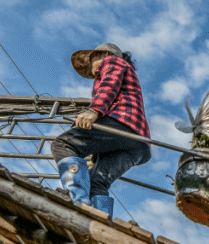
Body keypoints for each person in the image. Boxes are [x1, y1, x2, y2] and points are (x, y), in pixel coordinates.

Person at [52, 42, 151, 220]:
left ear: (103, 54)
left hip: (122, 123)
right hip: (136, 142)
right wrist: (95, 159)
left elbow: (109, 85)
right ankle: (101, 220)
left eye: (92, 61)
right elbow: (104, 140)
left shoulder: (112, 61)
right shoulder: (127, 71)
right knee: (97, 180)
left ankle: (78, 202)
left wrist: (94, 110)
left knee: (63, 144)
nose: (91, 68)